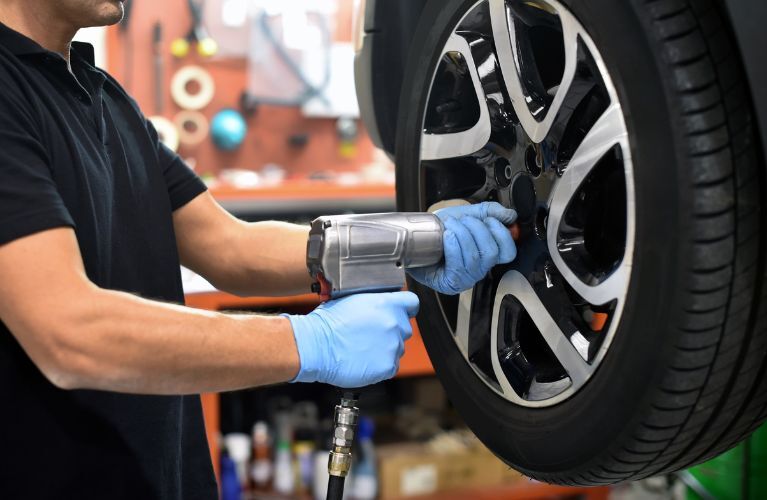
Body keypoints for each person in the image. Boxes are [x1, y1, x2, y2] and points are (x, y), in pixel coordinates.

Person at [0, 1, 518, 499]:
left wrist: (410, 243)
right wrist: (309, 343)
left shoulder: (102, 96)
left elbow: (229, 246)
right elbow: (67, 331)